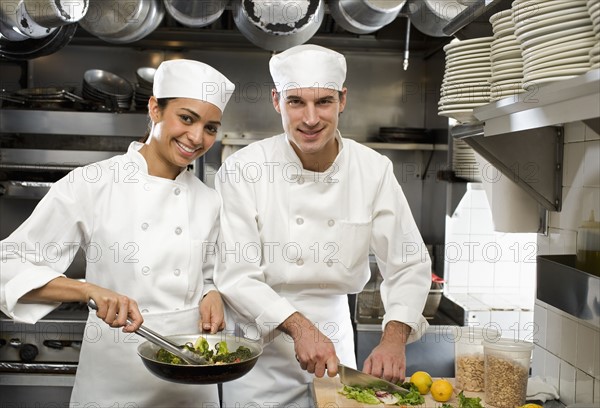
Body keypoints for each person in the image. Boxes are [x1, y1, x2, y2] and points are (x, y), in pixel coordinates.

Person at [0, 59, 234, 407]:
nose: (197, 138)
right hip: (115, 376)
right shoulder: (93, 183)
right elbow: (9, 264)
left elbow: (208, 275)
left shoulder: (208, 200)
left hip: (190, 376)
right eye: (186, 118)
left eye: (211, 127)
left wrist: (212, 293)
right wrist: (85, 289)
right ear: (155, 108)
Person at [214, 44, 432, 406]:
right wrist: (300, 327)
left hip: (335, 345)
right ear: (275, 101)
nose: (311, 118)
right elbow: (236, 276)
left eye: (324, 102)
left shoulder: (372, 170)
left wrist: (394, 338)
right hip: (260, 354)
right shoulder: (242, 170)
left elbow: (408, 262)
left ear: (343, 100)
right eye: (296, 102)